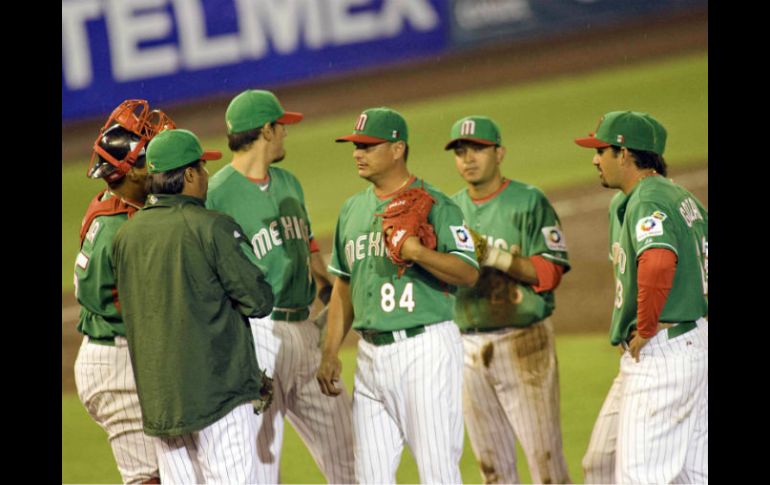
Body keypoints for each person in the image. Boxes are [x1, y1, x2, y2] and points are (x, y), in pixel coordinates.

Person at [317, 107, 480, 483]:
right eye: (356, 146)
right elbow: (344, 285)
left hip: (424, 351)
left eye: (368, 146)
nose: (358, 153)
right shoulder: (352, 210)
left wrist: (418, 253)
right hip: (369, 357)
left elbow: (468, 271)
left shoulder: (436, 204)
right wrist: (329, 352)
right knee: (369, 476)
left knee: (438, 471)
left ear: (397, 149)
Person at [205, 89, 355, 483]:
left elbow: (309, 249)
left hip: (305, 332)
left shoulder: (289, 182)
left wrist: (331, 299)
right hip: (256, 338)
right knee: (259, 468)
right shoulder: (216, 195)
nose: (286, 133)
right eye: (281, 126)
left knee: (352, 454)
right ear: (266, 131)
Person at [112, 128, 275, 483]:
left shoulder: (126, 236)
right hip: (218, 394)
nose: (206, 175)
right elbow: (259, 300)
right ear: (188, 175)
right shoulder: (211, 227)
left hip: (162, 403)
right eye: (202, 168)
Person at [574, 111, 708, 484]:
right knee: (602, 462)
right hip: (685, 342)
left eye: (601, 150)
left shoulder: (649, 200)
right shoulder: (677, 196)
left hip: (663, 352)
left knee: (640, 476)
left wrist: (647, 327)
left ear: (625, 154)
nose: (594, 160)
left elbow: (659, 261)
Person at [445, 115, 572, 484]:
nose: (468, 158)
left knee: (546, 466)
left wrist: (494, 256)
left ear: (499, 153)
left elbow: (551, 272)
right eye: (460, 151)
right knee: (493, 471)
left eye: (478, 149)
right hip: (466, 347)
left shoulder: (529, 201)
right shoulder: (448, 211)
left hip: (524, 342)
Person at [73, 99, 174, 484]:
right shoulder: (125, 232)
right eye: (151, 156)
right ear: (130, 170)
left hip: (119, 351)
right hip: (118, 362)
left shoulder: (110, 204)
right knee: (149, 479)